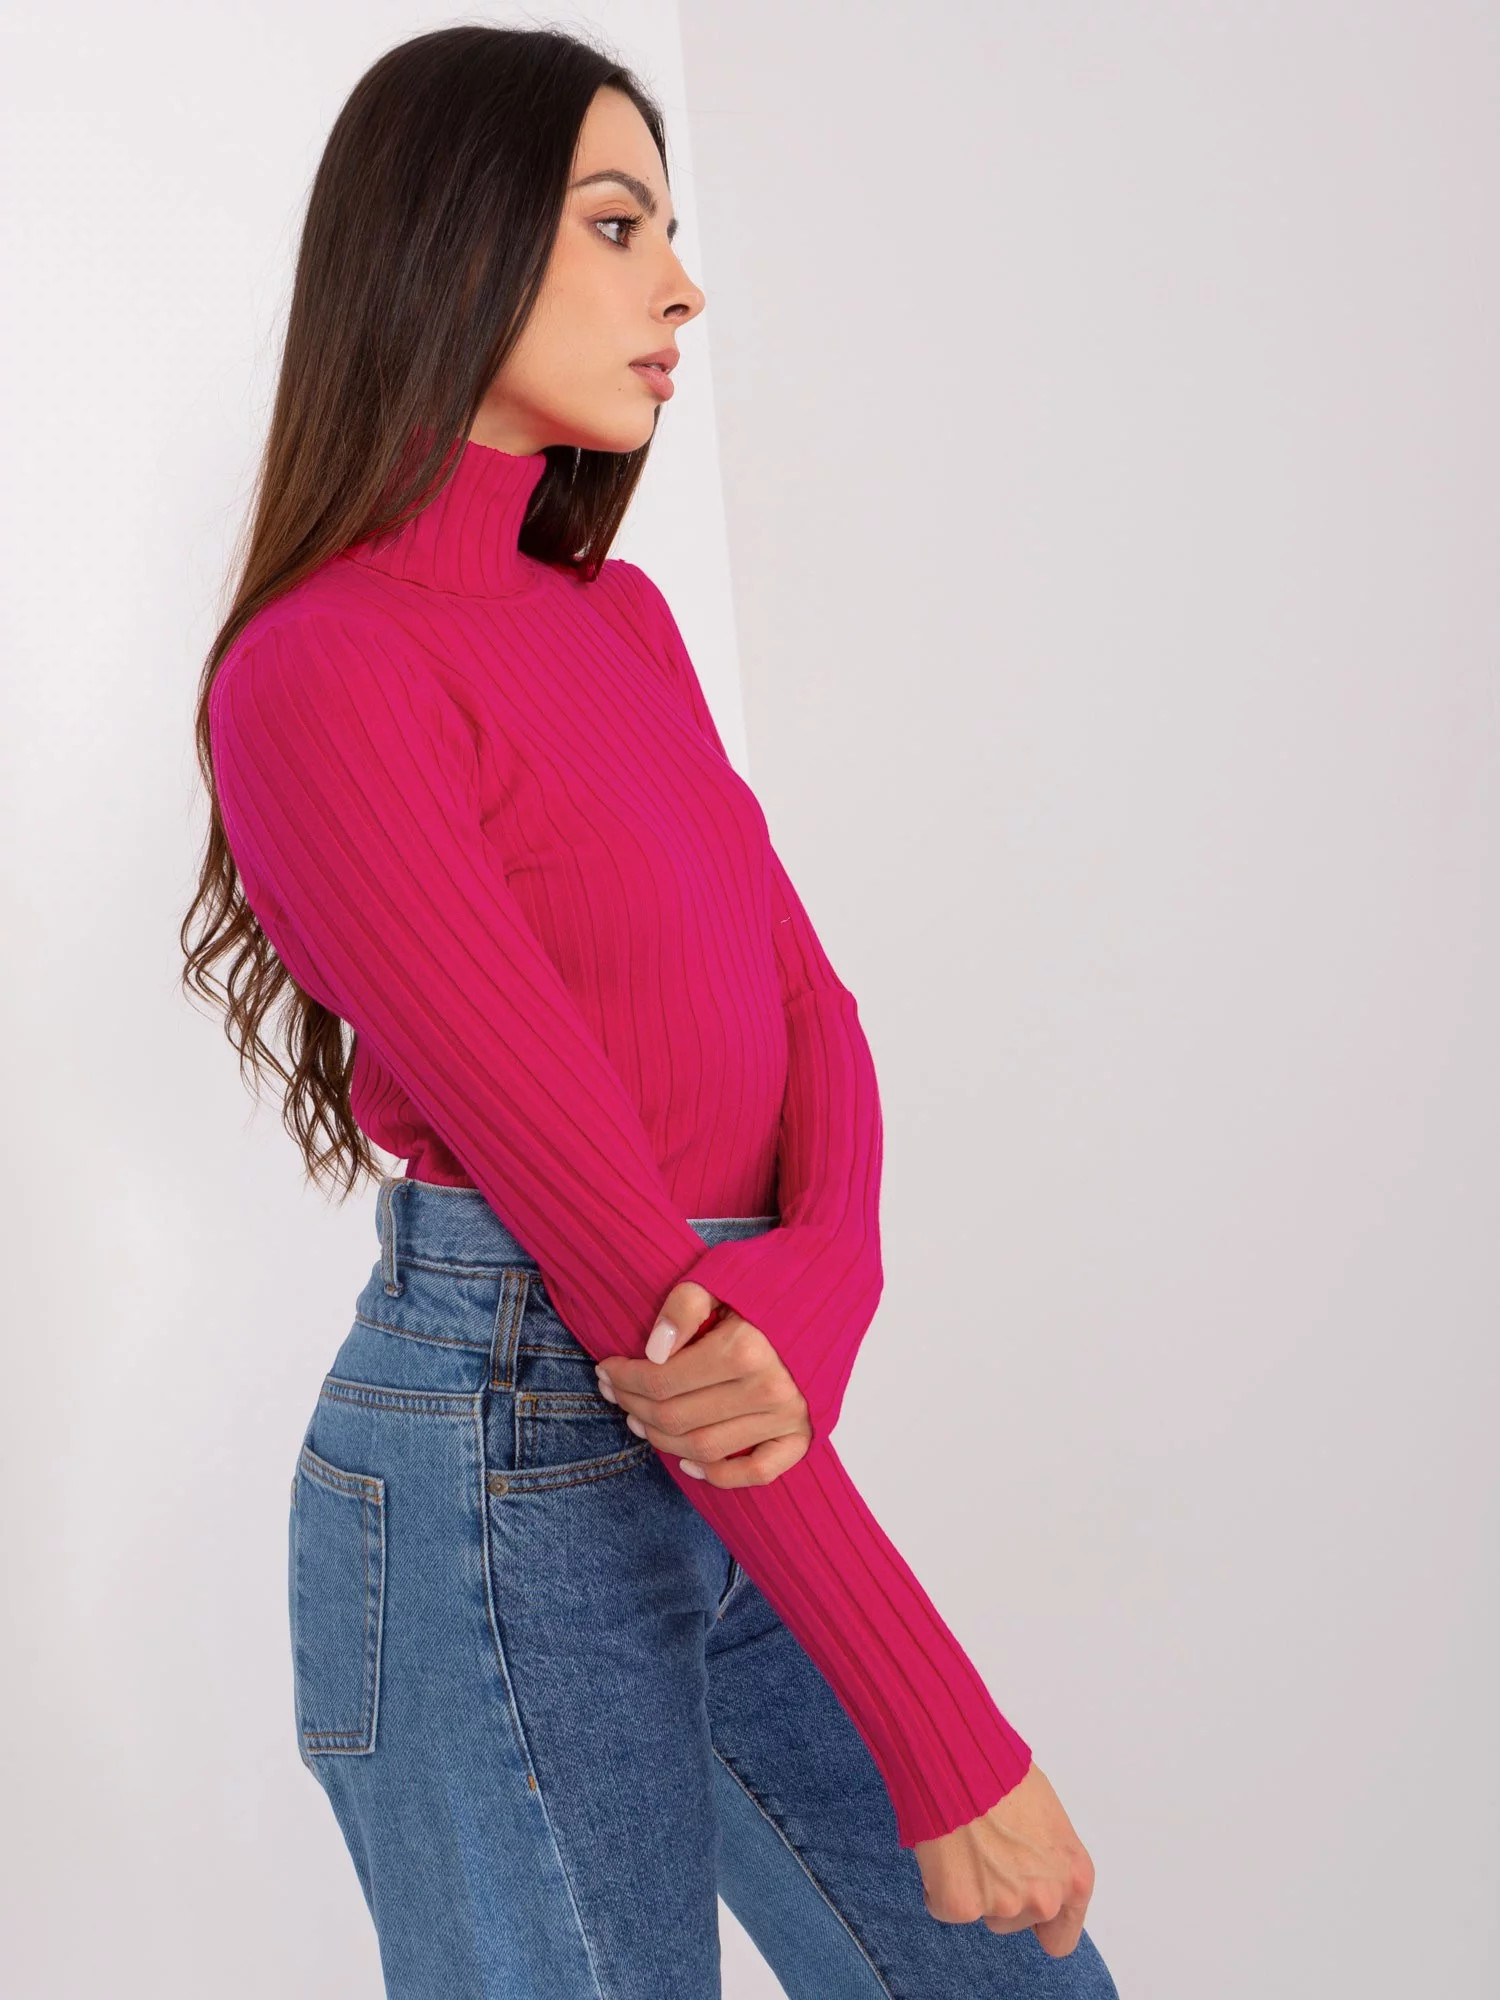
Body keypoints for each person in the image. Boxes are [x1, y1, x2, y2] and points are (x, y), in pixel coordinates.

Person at [181, 24, 1118, 1999]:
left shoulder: (615, 622)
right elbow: (614, 1252)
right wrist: (946, 1734)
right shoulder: (324, 673)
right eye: (620, 225)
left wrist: (819, 1290)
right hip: (512, 1464)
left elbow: (810, 1009)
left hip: (726, 1412)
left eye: (670, 229)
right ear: (447, 238)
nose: (681, 286)